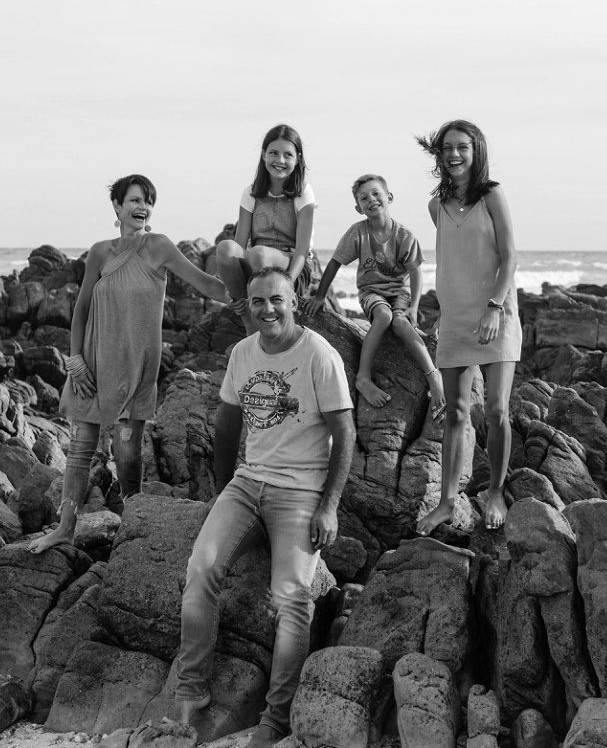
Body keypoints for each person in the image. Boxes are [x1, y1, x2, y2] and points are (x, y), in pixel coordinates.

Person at [171, 267, 356, 748]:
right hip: (248, 484)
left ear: (293, 301)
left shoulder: (319, 354)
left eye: (276, 300)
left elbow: (346, 434)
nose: (268, 310)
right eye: (258, 302)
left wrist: (329, 506)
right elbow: (228, 421)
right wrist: (222, 488)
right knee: (200, 571)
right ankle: (190, 694)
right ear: (247, 306)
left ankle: (275, 717)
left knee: (291, 596)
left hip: (300, 493)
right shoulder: (243, 352)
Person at [28, 174, 230, 554]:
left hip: (137, 363)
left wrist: (257, 291)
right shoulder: (100, 252)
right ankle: (64, 529)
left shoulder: (159, 247)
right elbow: (82, 307)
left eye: (149, 201)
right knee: (81, 446)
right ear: (117, 207)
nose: (142, 207)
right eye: (135, 200)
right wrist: (74, 361)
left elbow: (208, 286)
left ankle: (131, 516)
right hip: (92, 361)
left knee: (127, 447)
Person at [412, 119, 522, 535]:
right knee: (456, 412)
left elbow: (508, 256)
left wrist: (494, 306)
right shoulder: (434, 206)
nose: (454, 155)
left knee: (496, 409)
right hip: (455, 319)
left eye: (462, 147)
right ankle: (446, 501)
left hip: (496, 314)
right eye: (446, 148)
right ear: (438, 156)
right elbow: (456, 260)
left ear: (476, 152)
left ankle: (495, 491)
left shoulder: (492, 195)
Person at [303, 173, 445, 418]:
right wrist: (320, 296)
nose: (371, 199)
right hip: (371, 292)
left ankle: (433, 376)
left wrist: (414, 307)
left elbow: (416, 272)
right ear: (359, 208)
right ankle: (363, 378)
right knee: (383, 317)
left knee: (400, 322)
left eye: (376, 193)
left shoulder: (404, 236)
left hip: (399, 293)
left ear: (389, 197)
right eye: (364, 197)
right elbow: (335, 263)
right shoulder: (358, 233)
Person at [212, 124, 321, 329]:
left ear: (297, 158)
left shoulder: (303, 193)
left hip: (293, 267)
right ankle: (250, 324)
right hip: (256, 265)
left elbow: (302, 250)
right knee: (225, 248)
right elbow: (239, 246)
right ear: (263, 155)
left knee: (259, 253)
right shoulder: (251, 193)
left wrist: (288, 282)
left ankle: (271, 320)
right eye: (273, 153)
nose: (280, 160)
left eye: (287, 155)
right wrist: (230, 284)